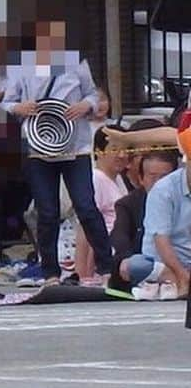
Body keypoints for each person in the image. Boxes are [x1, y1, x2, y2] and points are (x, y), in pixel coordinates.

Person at [1, 20, 114, 286]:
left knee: (86, 207)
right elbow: (7, 101)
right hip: (39, 146)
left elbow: (94, 96)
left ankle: (107, 267)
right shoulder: (21, 67)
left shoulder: (76, 64)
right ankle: (50, 272)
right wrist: (20, 107)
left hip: (76, 146)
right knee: (47, 211)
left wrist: (84, 105)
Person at [123, 131, 191, 299]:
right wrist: (181, 274)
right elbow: (161, 241)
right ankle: (174, 280)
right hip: (163, 264)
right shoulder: (164, 189)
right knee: (133, 266)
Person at [109, 149, 178, 291]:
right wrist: (126, 258)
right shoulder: (127, 204)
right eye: (153, 177)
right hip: (147, 266)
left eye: (164, 178)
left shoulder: (183, 199)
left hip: (180, 261)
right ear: (141, 178)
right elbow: (120, 235)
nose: (159, 184)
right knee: (133, 265)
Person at [73, 126, 131, 283]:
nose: (122, 155)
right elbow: (86, 228)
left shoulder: (118, 179)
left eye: (126, 149)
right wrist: (83, 273)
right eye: (114, 149)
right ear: (98, 151)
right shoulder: (95, 179)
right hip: (104, 254)